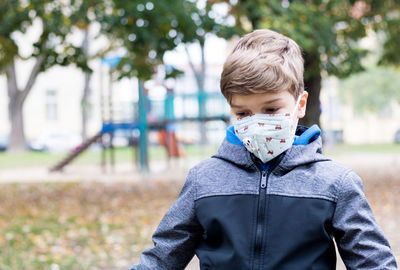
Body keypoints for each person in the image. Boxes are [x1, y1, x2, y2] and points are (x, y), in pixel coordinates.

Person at [129, 29, 398, 270]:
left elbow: (373, 263)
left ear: (300, 104)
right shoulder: (204, 180)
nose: (257, 121)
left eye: (271, 109)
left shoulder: (335, 184)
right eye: (242, 113)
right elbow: (161, 259)